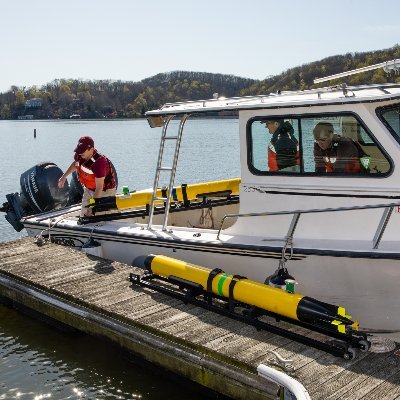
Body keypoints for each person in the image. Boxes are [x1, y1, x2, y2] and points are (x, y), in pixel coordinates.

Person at [58, 136, 117, 216]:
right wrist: (64, 177)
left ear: (91, 149)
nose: (79, 153)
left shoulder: (99, 163)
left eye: (82, 150)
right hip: (89, 189)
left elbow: (99, 187)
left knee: (101, 217)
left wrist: (93, 206)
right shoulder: (81, 156)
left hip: (104, 192)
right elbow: (76, 164)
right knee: (84, 215)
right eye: (79, 150)